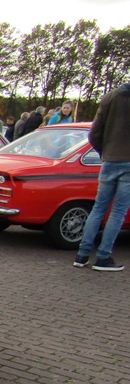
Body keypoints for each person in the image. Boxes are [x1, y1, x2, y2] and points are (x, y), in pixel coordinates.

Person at [73, 83, 130, 272]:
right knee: (118, 211)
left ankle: (82, 254)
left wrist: (104, 153)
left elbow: (94, 133)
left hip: (109, 160)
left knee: (99, 208)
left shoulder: (110, 97)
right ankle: (103, 256)